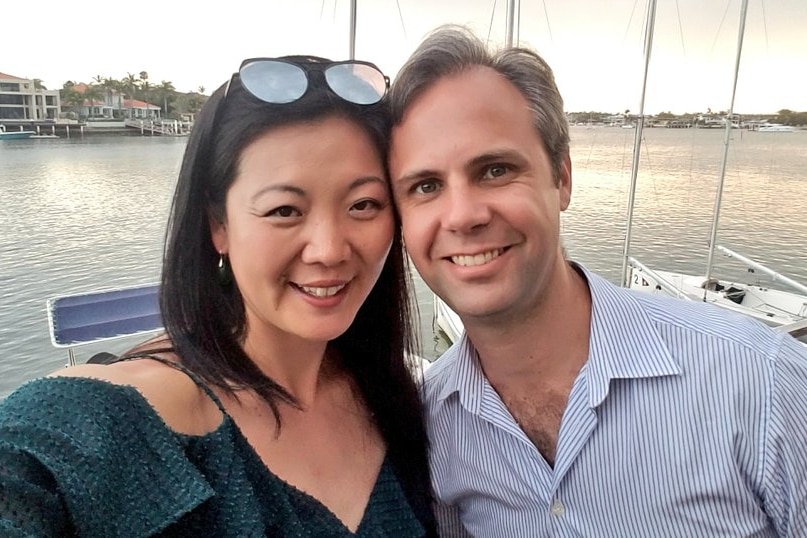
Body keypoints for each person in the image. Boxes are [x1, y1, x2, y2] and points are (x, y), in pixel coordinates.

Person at [387, 25, 807, 537]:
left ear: (562, 177)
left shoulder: (763, 385)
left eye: (495, 170)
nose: (463, 216)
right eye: (426, 186)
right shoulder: (429, 426)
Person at [0, 55, 436, 537]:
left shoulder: (396, 400)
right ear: (218, 226)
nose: (330, 250)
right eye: (285, 209)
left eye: (363, 205)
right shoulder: (123, 419)